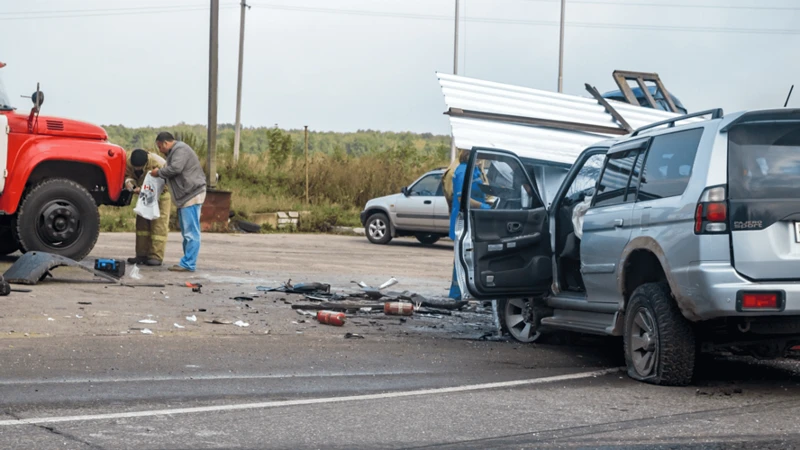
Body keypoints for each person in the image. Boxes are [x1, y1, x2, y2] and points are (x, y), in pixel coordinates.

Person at [150, 132, 206, 272]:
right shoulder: (175, 152)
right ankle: (187, 261)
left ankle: (189, 264)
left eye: (160, 147)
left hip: (191, 194)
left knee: (191, 232)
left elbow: (176, 169)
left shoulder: (180, 150)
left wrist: (159, 173)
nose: (160, 150)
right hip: (186, 196)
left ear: (165, 143)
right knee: (187, 232)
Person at [448, 150, 490, 299]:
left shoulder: (475, 169)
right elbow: (462, 199)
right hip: (464, 220)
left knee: (471, 256)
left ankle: (466, 292)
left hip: (474, 219)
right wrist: (485, 207)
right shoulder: (463, 171)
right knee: (462, 258)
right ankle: (456, 295)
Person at [126, 149, 170, 266]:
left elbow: (166, 180)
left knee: (158, 227)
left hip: (161, 195)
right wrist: (131, 184)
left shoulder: (159, 163)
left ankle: (156, 256)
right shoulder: (129, 162)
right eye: (135, 167)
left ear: (145, 163)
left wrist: (146, 188)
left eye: (139, 167)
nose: (137, 170)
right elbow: (128, 176)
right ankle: (141, 255)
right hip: (144, 196)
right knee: (142, 226)